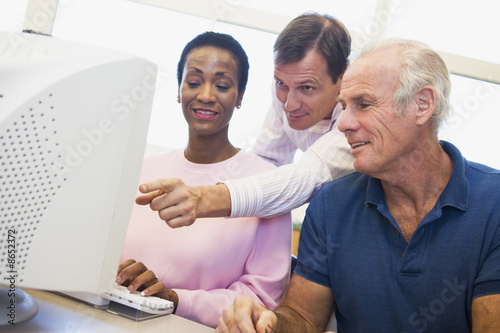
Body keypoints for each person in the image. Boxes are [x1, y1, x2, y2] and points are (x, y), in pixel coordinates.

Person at [216, 38, 500, 332]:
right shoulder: (331, 204)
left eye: (363, 104)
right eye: (344, 106)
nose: (343, 123)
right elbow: (302, 319)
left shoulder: (494, 204)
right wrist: (266, 323)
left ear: (422, 104)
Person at [117, 31, 292, 328]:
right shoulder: (141, 169)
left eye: (222, 85)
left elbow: (262, 297)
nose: (206, 95)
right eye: (194, 82)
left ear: (240, 96)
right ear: (179, 89)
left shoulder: (268, 184)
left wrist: (175, 300)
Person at [135, 12, 355, 227]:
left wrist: (204, 198)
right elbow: (267, 165)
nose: (289, 104)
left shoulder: (356, 118)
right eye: (281, 84)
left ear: (343, 79)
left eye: (307, 88)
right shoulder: (290, 86)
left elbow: (309, 179)